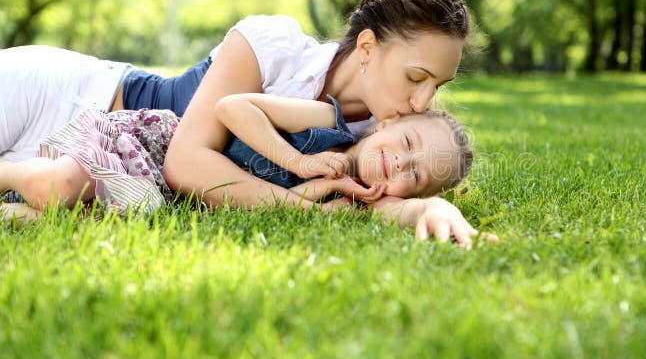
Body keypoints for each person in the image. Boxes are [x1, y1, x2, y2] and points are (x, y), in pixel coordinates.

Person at [0, 0, 491, 244]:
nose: (423, 102)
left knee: (58, 206)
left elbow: (381, 203)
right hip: (78, 99)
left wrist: (430, 204)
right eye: (415, 78)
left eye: (437, 86)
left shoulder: (373, 138)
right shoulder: (276, 45)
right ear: (367, 47)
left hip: (98, 174)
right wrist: (297, 203)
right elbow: (185, 164)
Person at [0, 92, 474, 243]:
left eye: (414, 175)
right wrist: (299, 163)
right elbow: (231, 107)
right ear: (387, 122)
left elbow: (400, 213)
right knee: (60, 185)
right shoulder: (325, 120)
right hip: (153, 147)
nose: (399, 162)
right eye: (407, 143)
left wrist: (429, 208)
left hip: (155, 198)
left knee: (46, 218)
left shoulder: (350, 200)